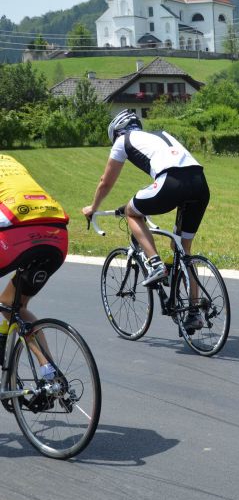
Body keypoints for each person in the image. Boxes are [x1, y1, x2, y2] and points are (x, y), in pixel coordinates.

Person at [82, 110, 210, 331]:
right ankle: (193, 312)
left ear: (117, 132)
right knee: (182, 248)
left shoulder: (123, 141)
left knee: (132, 212)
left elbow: (105, 182)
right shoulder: (161, 134)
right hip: (200, 183)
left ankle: (156, 265)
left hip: (171, 181)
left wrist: (93, 208)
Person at [0, 155, 70, 381]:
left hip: (14, 236)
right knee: (14, 307)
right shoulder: (9, 160)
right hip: (56, 236)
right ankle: (48, 371)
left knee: (8, 306)